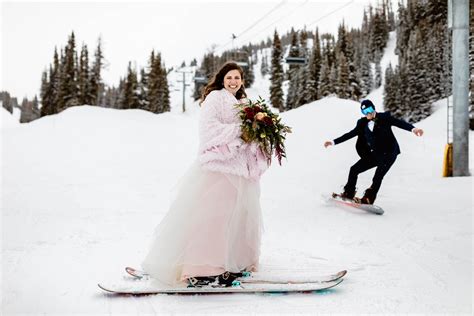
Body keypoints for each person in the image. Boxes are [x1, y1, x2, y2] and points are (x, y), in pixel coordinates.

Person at [141, 62, 269, 287]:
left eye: (237, 78)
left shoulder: (246, 103)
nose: (233, 81)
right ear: (222, 79)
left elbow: (251, 135)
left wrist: (258, 136)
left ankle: (234, 265)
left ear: (242, 81)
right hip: (219, 167)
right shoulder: (216, 98)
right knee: (213, 218)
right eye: (229, 77)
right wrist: (241, 132)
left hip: (241, 171)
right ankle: (202, 267)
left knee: (239, 219)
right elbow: (208, 128)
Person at [324, 99, 424, 204]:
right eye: (364, 112)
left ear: (373, 108)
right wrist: (333, 142)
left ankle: (369, 198)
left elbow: (399, 123)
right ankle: (349, 193)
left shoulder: (384, 118)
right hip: (376, 154)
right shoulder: (362, 123)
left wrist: (414, 129)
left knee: (378, 176)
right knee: (354, 169)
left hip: (389, 153)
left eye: (369, 109)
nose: (368, 113)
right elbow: (350, 134)